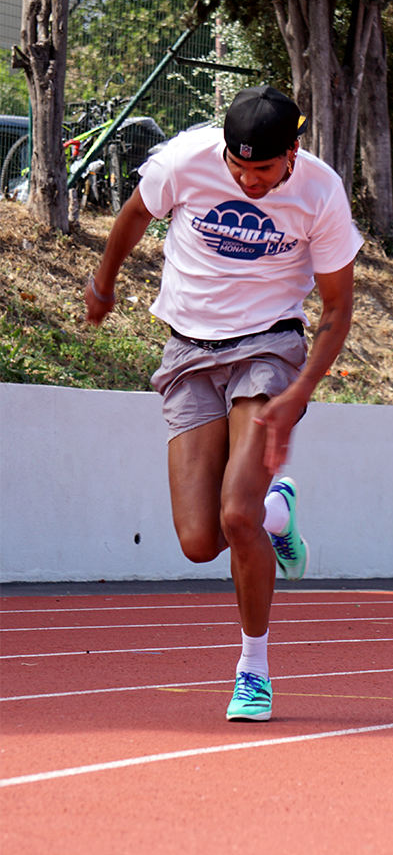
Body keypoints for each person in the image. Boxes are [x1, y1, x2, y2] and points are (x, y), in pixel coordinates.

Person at [85, 85, 363, 722]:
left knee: (232, 513)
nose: (247, 180)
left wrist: (298, 393)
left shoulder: (319, 190)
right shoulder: (185, 161)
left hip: (268, 347)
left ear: (292, 153)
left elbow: (337, 308)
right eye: (237, 168)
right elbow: (132, 217)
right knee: (198, 539)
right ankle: (276, 513)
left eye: (262, 170)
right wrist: (103, 286)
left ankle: (253, 669)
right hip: (187, 350)